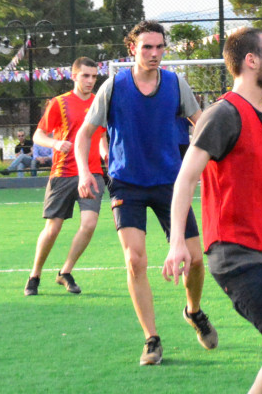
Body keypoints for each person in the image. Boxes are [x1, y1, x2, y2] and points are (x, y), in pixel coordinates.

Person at [163, 26, 262, 394]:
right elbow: (185, 179)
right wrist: (177, 243)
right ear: (252, 61)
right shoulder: (223, 114)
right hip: (233, 252)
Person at [78, 21, 217, 366]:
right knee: (135, 259)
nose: (154, 54)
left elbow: (201, 124)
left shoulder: (175, 84)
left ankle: (194, 311)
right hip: (127, 183)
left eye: (159, 47)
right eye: (147, 48)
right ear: (132, 50)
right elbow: (84, 134)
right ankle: (151, 339)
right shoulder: (113, 87)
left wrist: (216, 157)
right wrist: (84, 170)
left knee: (196, 259)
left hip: (172, 184)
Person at [25, 57, 106, 297]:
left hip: (92, 174)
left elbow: (101, 136)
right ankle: (34, 275)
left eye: (94, 76)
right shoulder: (59, 103)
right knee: (53, 229)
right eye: (85, 76)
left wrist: (106, 154)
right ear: (74, 76)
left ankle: (65, 271)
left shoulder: (100, 103)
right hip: (63, 173)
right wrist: (56, 143)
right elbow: (38, 135)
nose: (91, 80)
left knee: (89, 224)